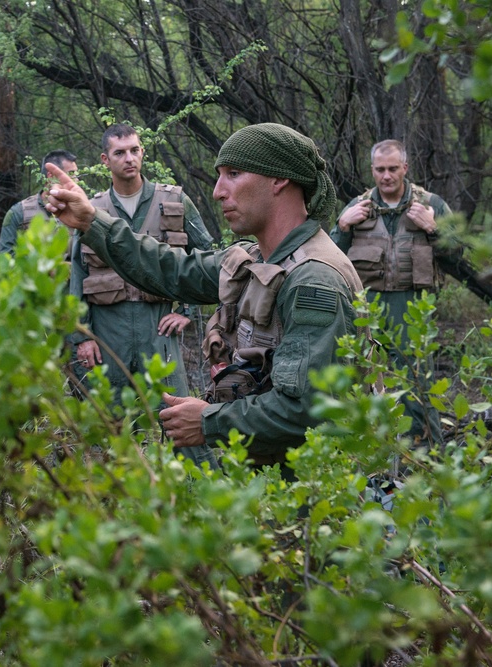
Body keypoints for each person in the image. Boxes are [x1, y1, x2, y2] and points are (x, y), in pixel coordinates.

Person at [46, 123, 362, 480]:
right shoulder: (254, 258)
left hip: (309, 495)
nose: (217, 191)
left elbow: (309, 408)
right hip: (267, 480)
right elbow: (171, 269)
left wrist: (208, 420)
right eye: (219, 176)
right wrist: (91, 221)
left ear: (279, 180)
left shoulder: (313, 279)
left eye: (234, 174)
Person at [68, 124, 215, 466]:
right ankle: (111, 495)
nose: (128, 158)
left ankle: (202, 489)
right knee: (108, 418)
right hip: (108, 328)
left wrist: (187, 309)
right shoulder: (92, 208)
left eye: (134, 150)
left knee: (178, 409)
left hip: (158, 326)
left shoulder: (174, 200)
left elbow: (207, 258)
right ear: (105, 160)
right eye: (119, 153)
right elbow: (76, 273)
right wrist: (81, 336)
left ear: (143, 153)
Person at [330, 139, 452, 444]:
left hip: (413, 307)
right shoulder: (358, 207)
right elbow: (329, 260)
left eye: (393, 169)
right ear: (372, 170)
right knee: (367, 383)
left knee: (415, 384)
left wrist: (433, 229)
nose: (387, 176)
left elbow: (457, 257)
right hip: (367, 309)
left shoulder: (431, 205)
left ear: (405, 168)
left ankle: (428, 456)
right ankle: (378, 459)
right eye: (380, 169)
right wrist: (342, 226)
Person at [0, 149, 78, 256]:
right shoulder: (19, 212)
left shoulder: (80, 209)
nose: (76, 180)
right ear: (51, 176)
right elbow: (7, 257)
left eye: (77, 174)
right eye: (71, 174)